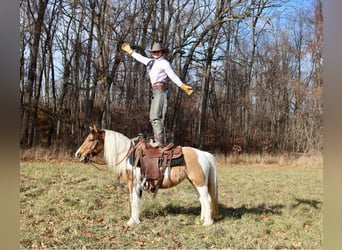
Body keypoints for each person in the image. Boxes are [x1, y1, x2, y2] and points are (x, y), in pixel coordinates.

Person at [121, 42, 193, 147]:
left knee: (156, 117)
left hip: (161, 90)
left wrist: (182, 85)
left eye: (158, 51)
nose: (156, 53)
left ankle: (160, 143)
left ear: (162, 52)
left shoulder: (164, 63)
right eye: (154, 52)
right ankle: (157, 140)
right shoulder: (151, 62)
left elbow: (172, 76)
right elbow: (140, 58)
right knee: (152, 117)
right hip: (154, 90)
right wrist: (130, 52)